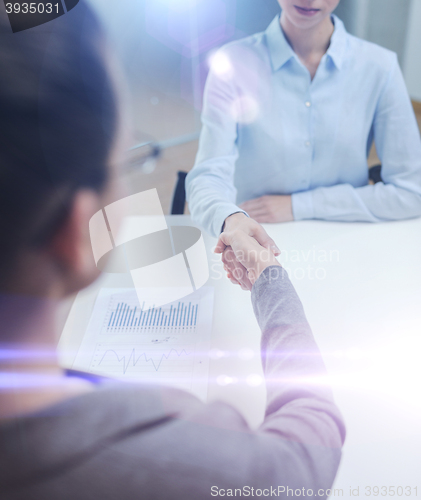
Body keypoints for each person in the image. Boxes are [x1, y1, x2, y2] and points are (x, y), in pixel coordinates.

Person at [0, 2, 345, 498]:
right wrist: (272, 281)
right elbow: (307, 452)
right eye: (126, 160)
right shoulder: (190, 462)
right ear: (75, 232)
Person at [186, 0, 421, 243]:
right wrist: (231, 219)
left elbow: (412, 192)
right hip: (255, 237)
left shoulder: (380, 67)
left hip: (350, 238)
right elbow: (207, 177)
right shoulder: (233, 63)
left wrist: (300, 206)